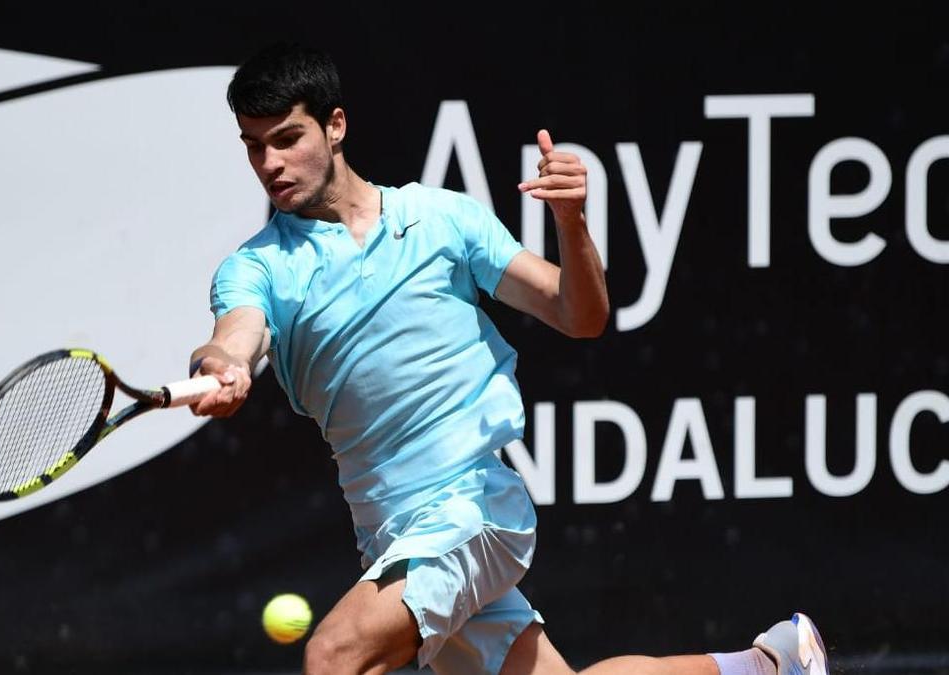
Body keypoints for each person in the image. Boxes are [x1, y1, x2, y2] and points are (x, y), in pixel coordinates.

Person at [186, 42, 829, 675]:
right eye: (253, 144)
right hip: (389, 532)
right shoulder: (255, 268)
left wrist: (572, 222)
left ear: (335, 125)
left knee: (333, 657)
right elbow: (235, 334)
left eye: (287, 138)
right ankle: (768, 664)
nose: (270, 162)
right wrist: (223, 364)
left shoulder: (442, 221)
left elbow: (580, 315)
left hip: (474, 506)